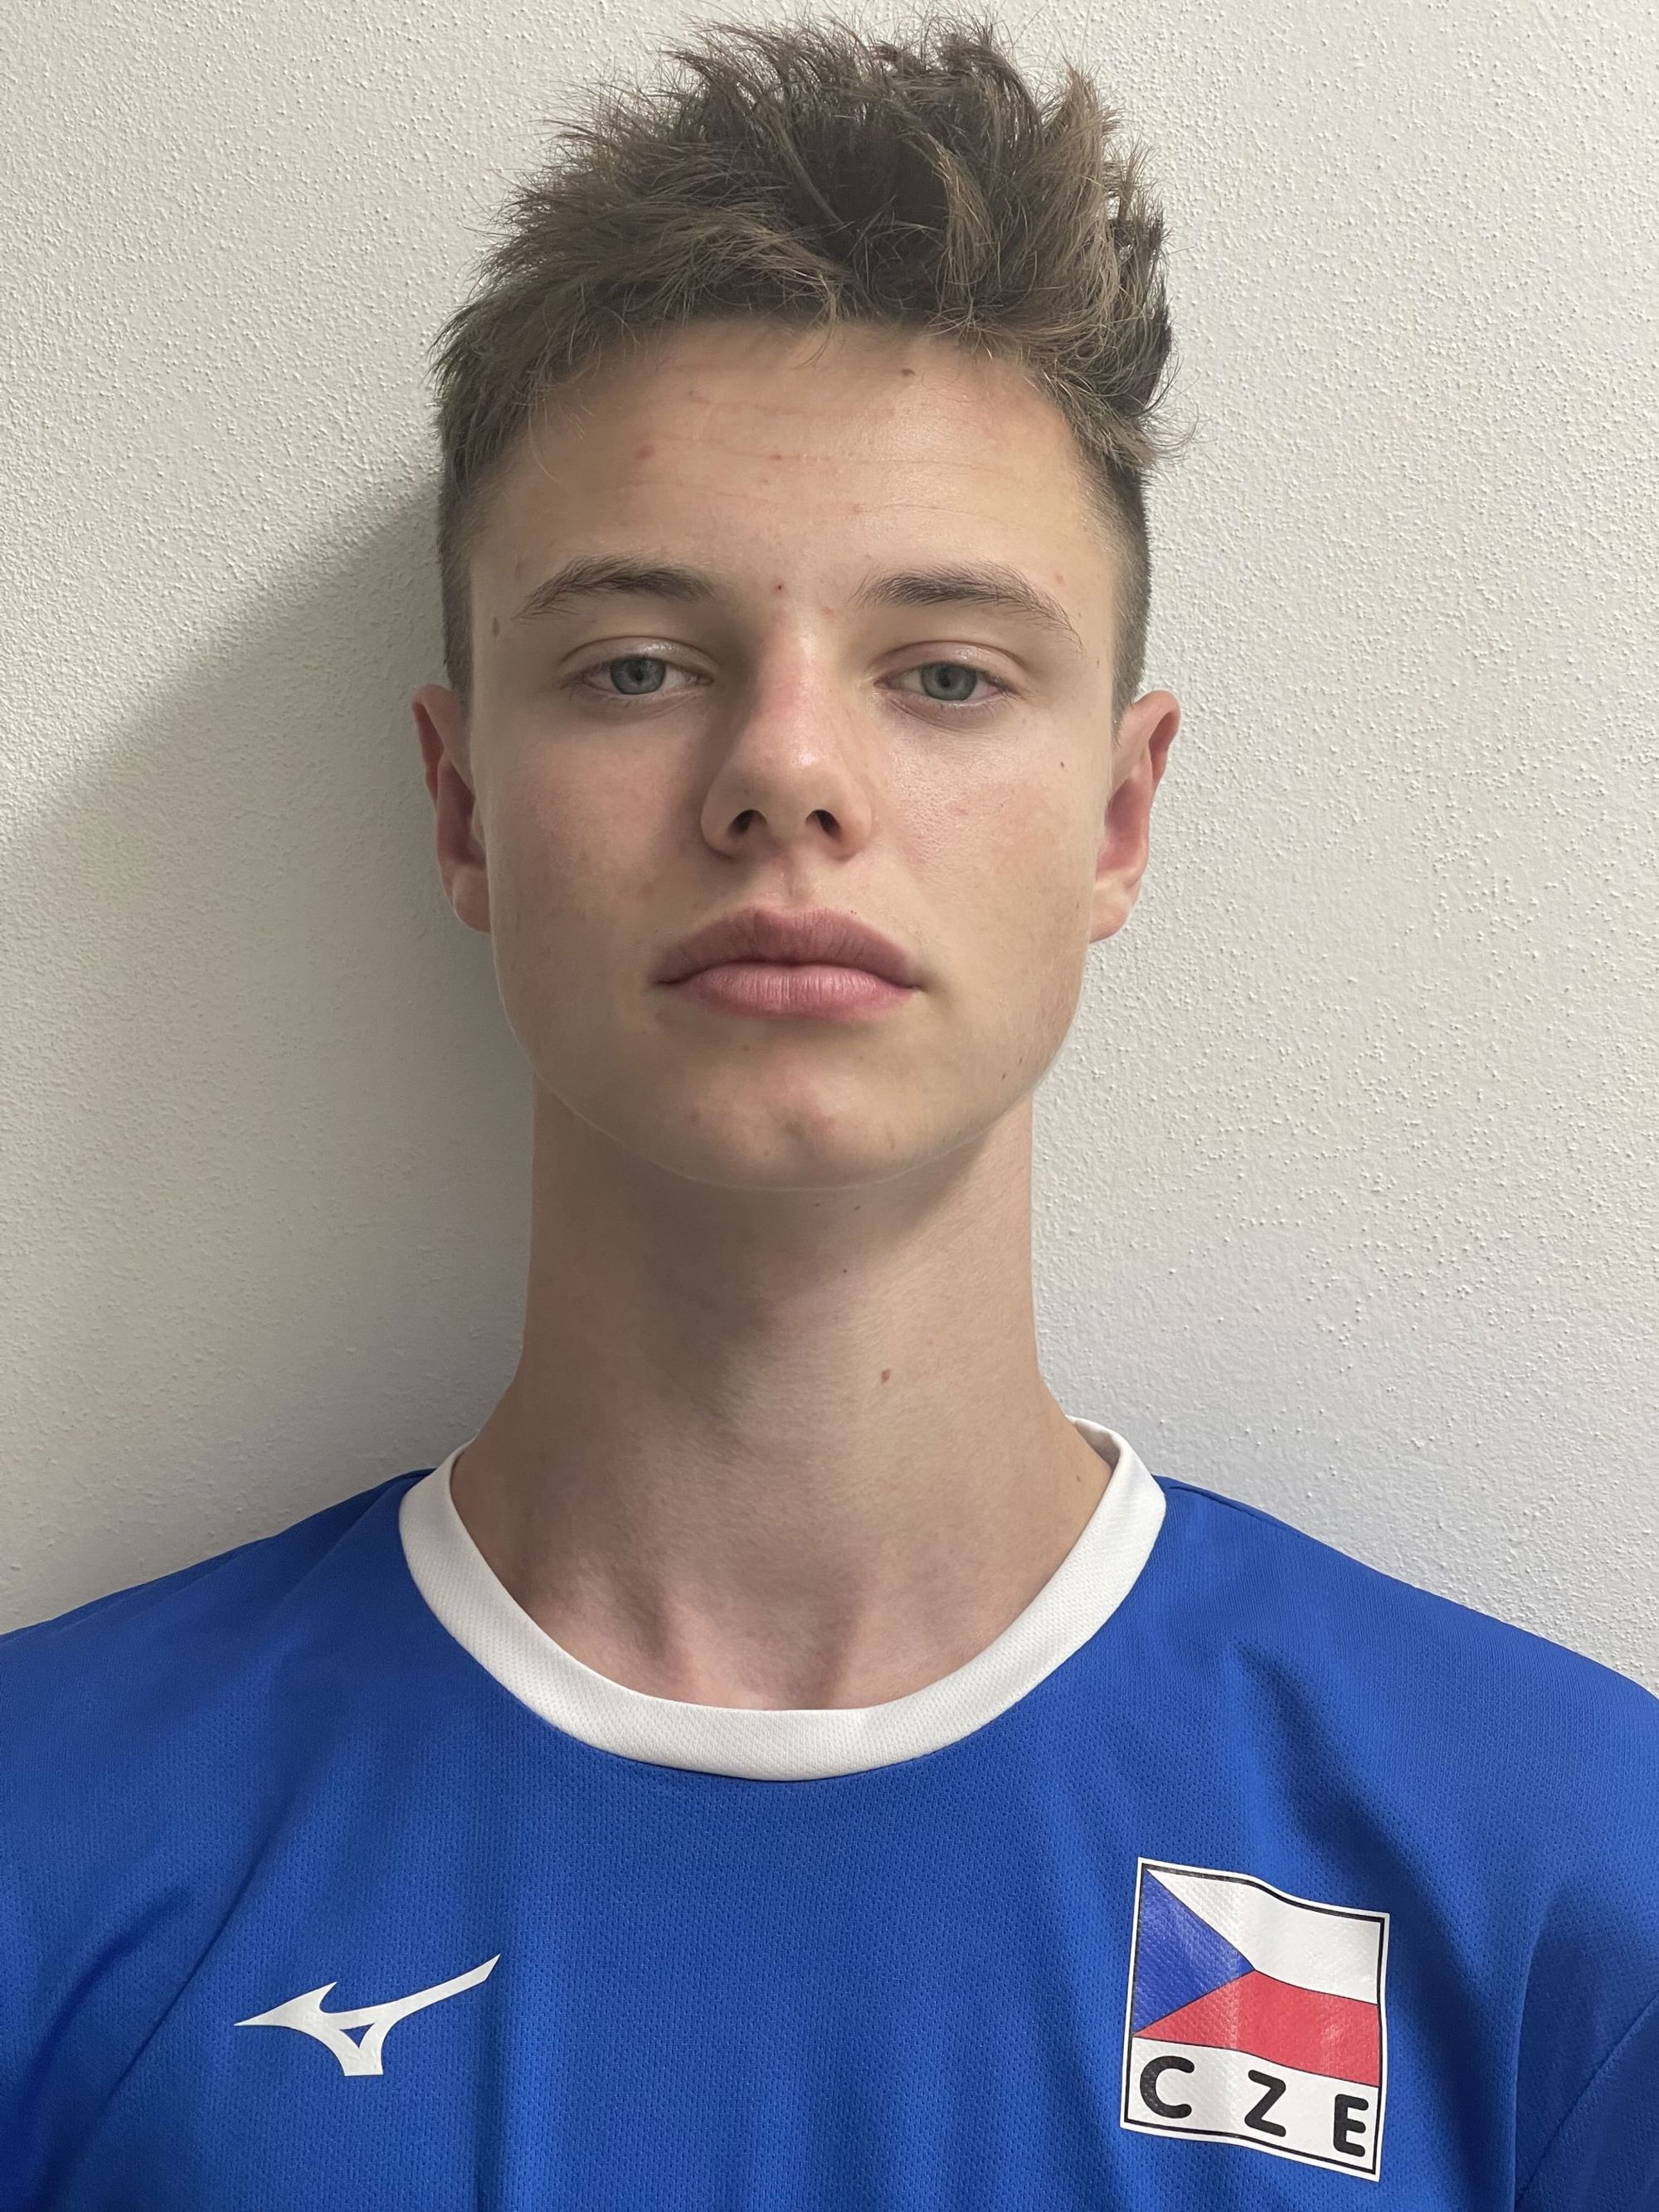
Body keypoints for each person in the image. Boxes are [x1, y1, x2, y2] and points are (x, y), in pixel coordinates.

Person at [2, 12, 1655, 2207]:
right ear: (462, 805)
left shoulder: (1562, 1881)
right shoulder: (50, 1843)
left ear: (1119, 815)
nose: (787, 770)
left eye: (946, 671)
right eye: (634, 664)